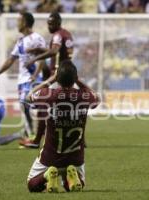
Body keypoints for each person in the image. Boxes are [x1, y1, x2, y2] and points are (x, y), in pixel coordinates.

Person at [26, 60, 100, 193]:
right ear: (75, 78)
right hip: (75, 157)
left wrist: (50, 79)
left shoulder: (49, 94)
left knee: (32, 185)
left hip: (50, 156)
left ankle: (47, 175)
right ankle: (71, 176)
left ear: (58, 78)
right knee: (77, 185)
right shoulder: (84, 95)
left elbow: (28, 96)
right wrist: (79, 81)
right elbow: (97, 98)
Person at [21, 11, 74, 148]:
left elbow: (54, 51)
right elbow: (57, 51)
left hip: (58, 75)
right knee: (65, 108)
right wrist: (40, 50)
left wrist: (35, 58)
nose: (49, 26)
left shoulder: (57, 35)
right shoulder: (66, 34)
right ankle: (77, 139)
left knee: (43, 105)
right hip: (68, 73)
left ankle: (37, 140)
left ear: (58, 23)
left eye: (51, 24)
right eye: (48, 24)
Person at [0, 12, 47, 139]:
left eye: (19, 20)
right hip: (22, 80)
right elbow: (10, 60)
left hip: (34, 78)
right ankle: (32, 133)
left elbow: (43, 58)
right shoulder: (20, 42)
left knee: (32, 104)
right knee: (26, 106)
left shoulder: (37, 38)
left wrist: (36, 74)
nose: (17, 23)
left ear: (25, 22)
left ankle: (39, 132)